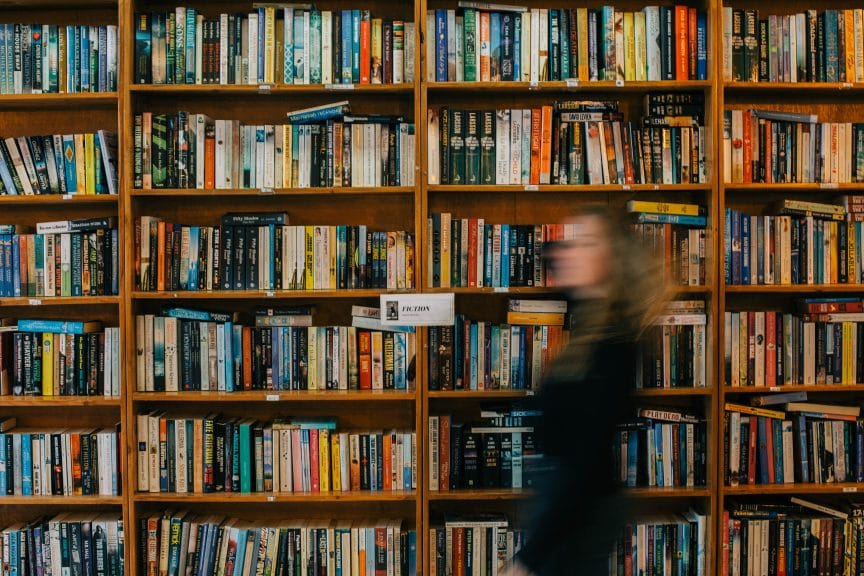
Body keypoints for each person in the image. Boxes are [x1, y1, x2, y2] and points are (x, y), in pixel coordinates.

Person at [507, 206, 668, 576]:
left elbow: (583, 463)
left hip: (580, 509)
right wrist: (575, 245)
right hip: (563, 501)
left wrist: (528, 559)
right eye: (572, 241)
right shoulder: (592, 315)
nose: (569, 251)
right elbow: (550, 257)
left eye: (586, 243)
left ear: (611, 257)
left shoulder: (615, 345)